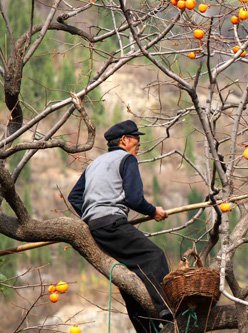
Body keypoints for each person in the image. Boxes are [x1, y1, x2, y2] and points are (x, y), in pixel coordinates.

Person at [68, 120, 173, 332]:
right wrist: (154, 211)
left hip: (95, 227)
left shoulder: (94, 164)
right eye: (136, 139)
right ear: (124, 140)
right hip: (112, 224)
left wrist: (92, 213)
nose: (139, 144)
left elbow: (74, 197)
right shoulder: (127, 159)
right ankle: (167, 310)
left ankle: (147, 329)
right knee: (154, 256)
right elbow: (134, 199)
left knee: (130, 277)